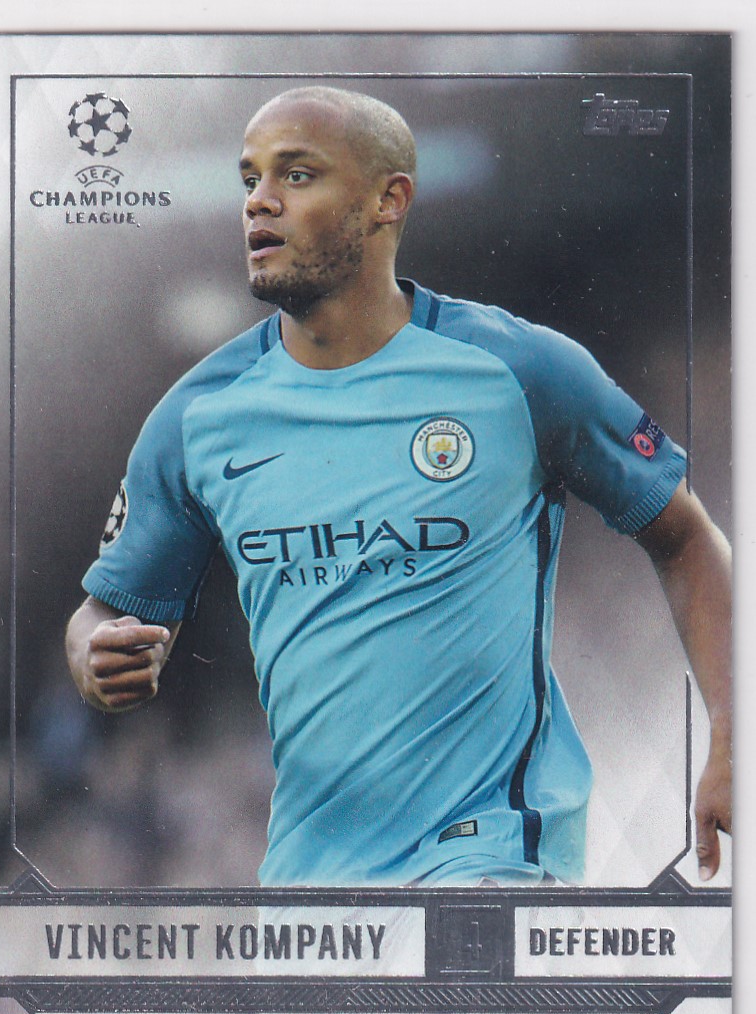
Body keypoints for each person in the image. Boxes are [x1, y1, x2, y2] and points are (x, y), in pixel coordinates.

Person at [66, 86, 731, 887]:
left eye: (297, 175)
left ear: (389, 199)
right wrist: (94, 658)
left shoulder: (519, 368)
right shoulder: (197, 416)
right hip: (312, 882)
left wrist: (734, 734)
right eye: (250, 179)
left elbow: (686, 538)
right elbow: (105, 610)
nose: (259, 202)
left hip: (489, 855)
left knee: (465, 943)